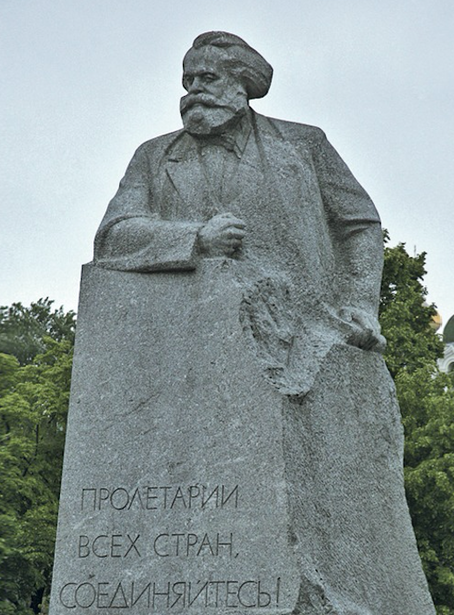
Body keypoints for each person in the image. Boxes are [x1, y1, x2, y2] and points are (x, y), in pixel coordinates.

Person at [92, 31, 384, 375]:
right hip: (188, 346)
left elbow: (360, 225)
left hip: (307, 338)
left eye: (208, 78)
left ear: (241, 84)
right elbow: (112, 237)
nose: (194, 90)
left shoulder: (303, 145)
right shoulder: (154, 156)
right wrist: (196, 240)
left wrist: (360, 304)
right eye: (189, 81)